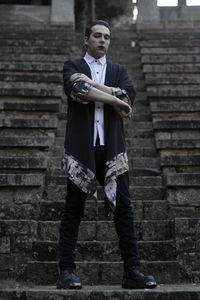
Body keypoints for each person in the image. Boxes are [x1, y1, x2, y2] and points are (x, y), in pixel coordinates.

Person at [57, 20, 157, 290]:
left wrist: (96, 87)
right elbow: (78, 89)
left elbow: (129, 94)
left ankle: (132, 272)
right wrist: (113, 98)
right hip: (82, 149)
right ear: (86, 39)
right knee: (73, 209)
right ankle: (66, 272)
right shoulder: (73, 66)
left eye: (107, 37)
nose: (103, 40)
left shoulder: (118, 70)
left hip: (112, 149)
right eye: (97, 36)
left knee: (123, 208)